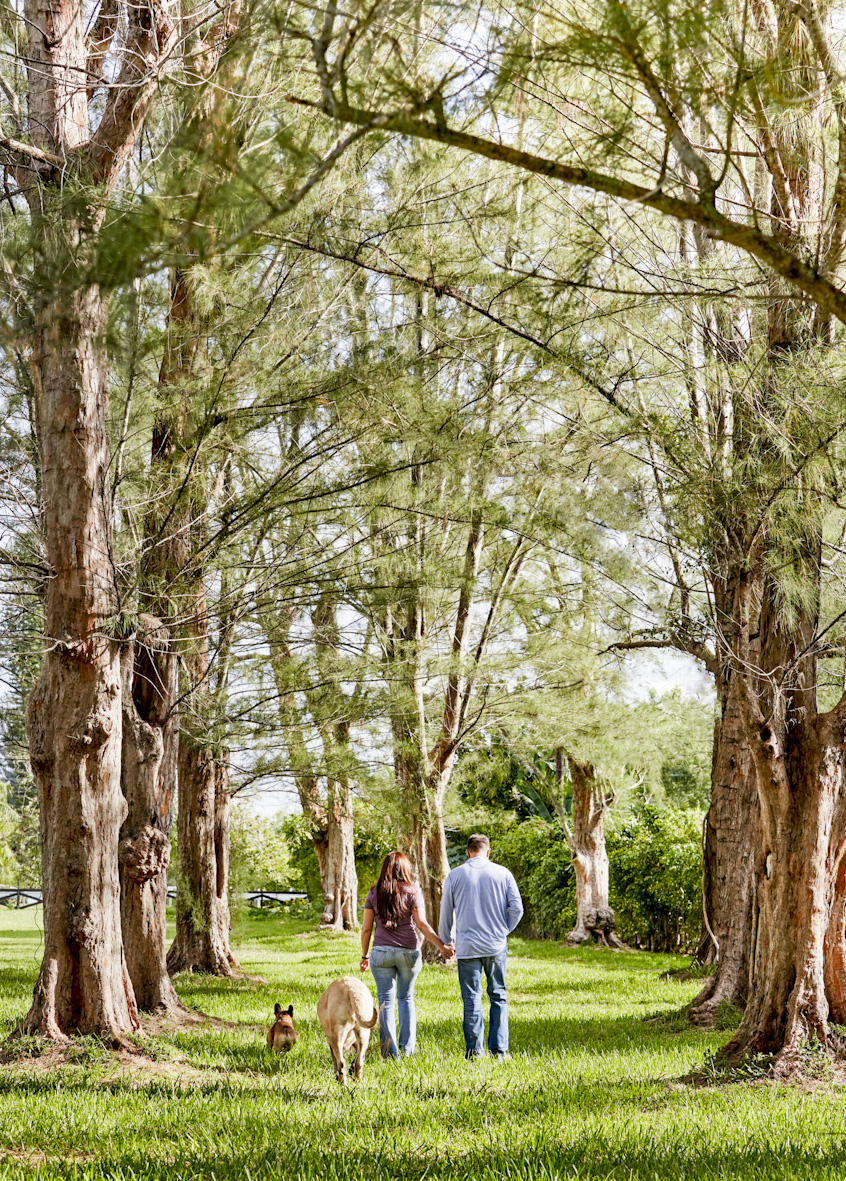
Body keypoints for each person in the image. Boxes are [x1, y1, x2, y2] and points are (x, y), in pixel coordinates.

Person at [438, 833, 523, 1059]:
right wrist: (504, 930)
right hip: (495, 946)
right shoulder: (503, 873)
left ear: (468, 852)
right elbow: (517, 909)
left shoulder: (455, 875)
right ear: (488, 851)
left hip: (467, 948)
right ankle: (500, 1051)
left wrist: (446, 939)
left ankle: (474, 1052)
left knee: (471, 998)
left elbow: (446, 912)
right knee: (498, 996)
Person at [360, 851, 453, 1058]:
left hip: (381, 953)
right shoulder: (412, 892)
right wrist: (442, 947)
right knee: (406, 998)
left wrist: (365, 956)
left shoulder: (373, 893)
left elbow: (366, 929)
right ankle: (407, 1050)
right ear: (405, 869)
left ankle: (388, 1052)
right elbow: (422, 924)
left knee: (385, 1000)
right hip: (409, 952)